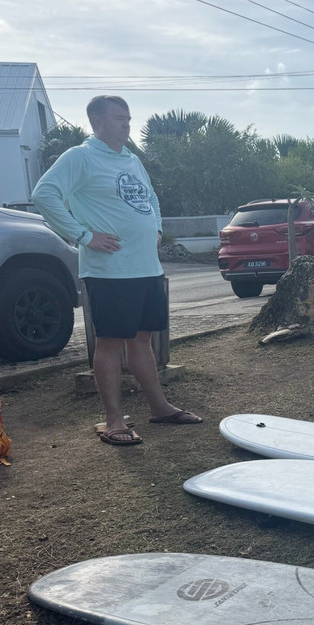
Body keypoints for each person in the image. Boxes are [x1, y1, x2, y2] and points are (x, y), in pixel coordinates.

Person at [32, 95, 202, 446]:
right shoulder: (81, 156)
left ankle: (159, 407)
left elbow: (151, 198)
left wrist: (155, 228)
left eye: (128, 118)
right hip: (109, 272)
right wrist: (84, 235)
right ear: (97, 121)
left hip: (146, 268)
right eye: (119, 118)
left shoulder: (131, 159)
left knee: (142, 340)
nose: (127, 124)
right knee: (109, 344)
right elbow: (44, 194)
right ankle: (113, 422)